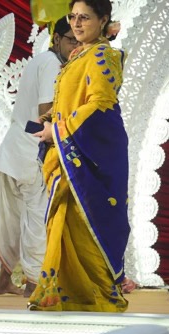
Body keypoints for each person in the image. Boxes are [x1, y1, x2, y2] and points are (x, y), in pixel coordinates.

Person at [29, 0, 129, 311]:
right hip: (69, 147)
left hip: (92, 155)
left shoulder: (102, 54)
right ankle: (64, 294)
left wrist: (57, 130)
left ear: (103, 20)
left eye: (85, 17)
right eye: (73, 17)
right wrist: (46, 125)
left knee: (85, 221)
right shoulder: (77, 55)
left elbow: (100, 104)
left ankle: (96, 296)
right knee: (64, 222)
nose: (76, 23)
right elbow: (67, 104)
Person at [0, 16, 79, 297]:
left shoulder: (39, 61)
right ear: (56, 40)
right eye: (70, 40)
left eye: (80, 41)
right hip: (31, 151)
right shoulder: (53, 64)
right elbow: (45, 113)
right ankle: (33, 284)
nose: (75, 46)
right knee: (38, 219)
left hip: (14, 148)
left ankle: (4, 281)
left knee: (14, 221)